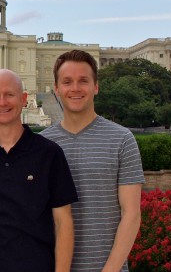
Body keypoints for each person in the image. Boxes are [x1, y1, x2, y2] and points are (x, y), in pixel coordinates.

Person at [0, 69, 77, 272]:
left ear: (24, 99)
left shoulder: (49, 154)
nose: (3, 102)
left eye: (10, 94)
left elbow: (63, 222)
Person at [41, 50, 145, 272]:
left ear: (96, 86)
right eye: (67, 82)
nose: (75, 88)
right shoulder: (41, 145)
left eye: (83, 81)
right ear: (56, 89)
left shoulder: (122, 139)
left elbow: (132, 214)